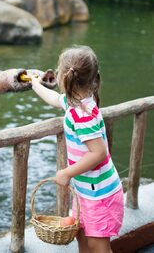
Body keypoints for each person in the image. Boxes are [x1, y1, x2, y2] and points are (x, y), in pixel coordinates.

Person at [31, 45, 124, 253]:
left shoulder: (82, 114)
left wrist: (66, 172)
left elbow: (98, 153)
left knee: (98, 246)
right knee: (81, 237)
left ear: (64, 77)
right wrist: (35, 85)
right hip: (86, 191)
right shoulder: (75, 103)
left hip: (101, 194)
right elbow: (55, 99)